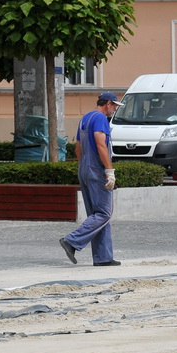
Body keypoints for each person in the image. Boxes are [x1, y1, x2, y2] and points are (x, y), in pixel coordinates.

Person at [59, 92, 123, 266]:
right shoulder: (101, 119)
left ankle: (103, 257)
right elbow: (101, 143)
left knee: (97, 215)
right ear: (108, 103)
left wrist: (84, 167)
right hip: (96, 170)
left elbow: (78, 148)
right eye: (115, 106)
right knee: (104, 213)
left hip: (85, 169)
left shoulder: (85, 118)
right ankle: (71, 241)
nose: (115, 110)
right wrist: (109, 170)